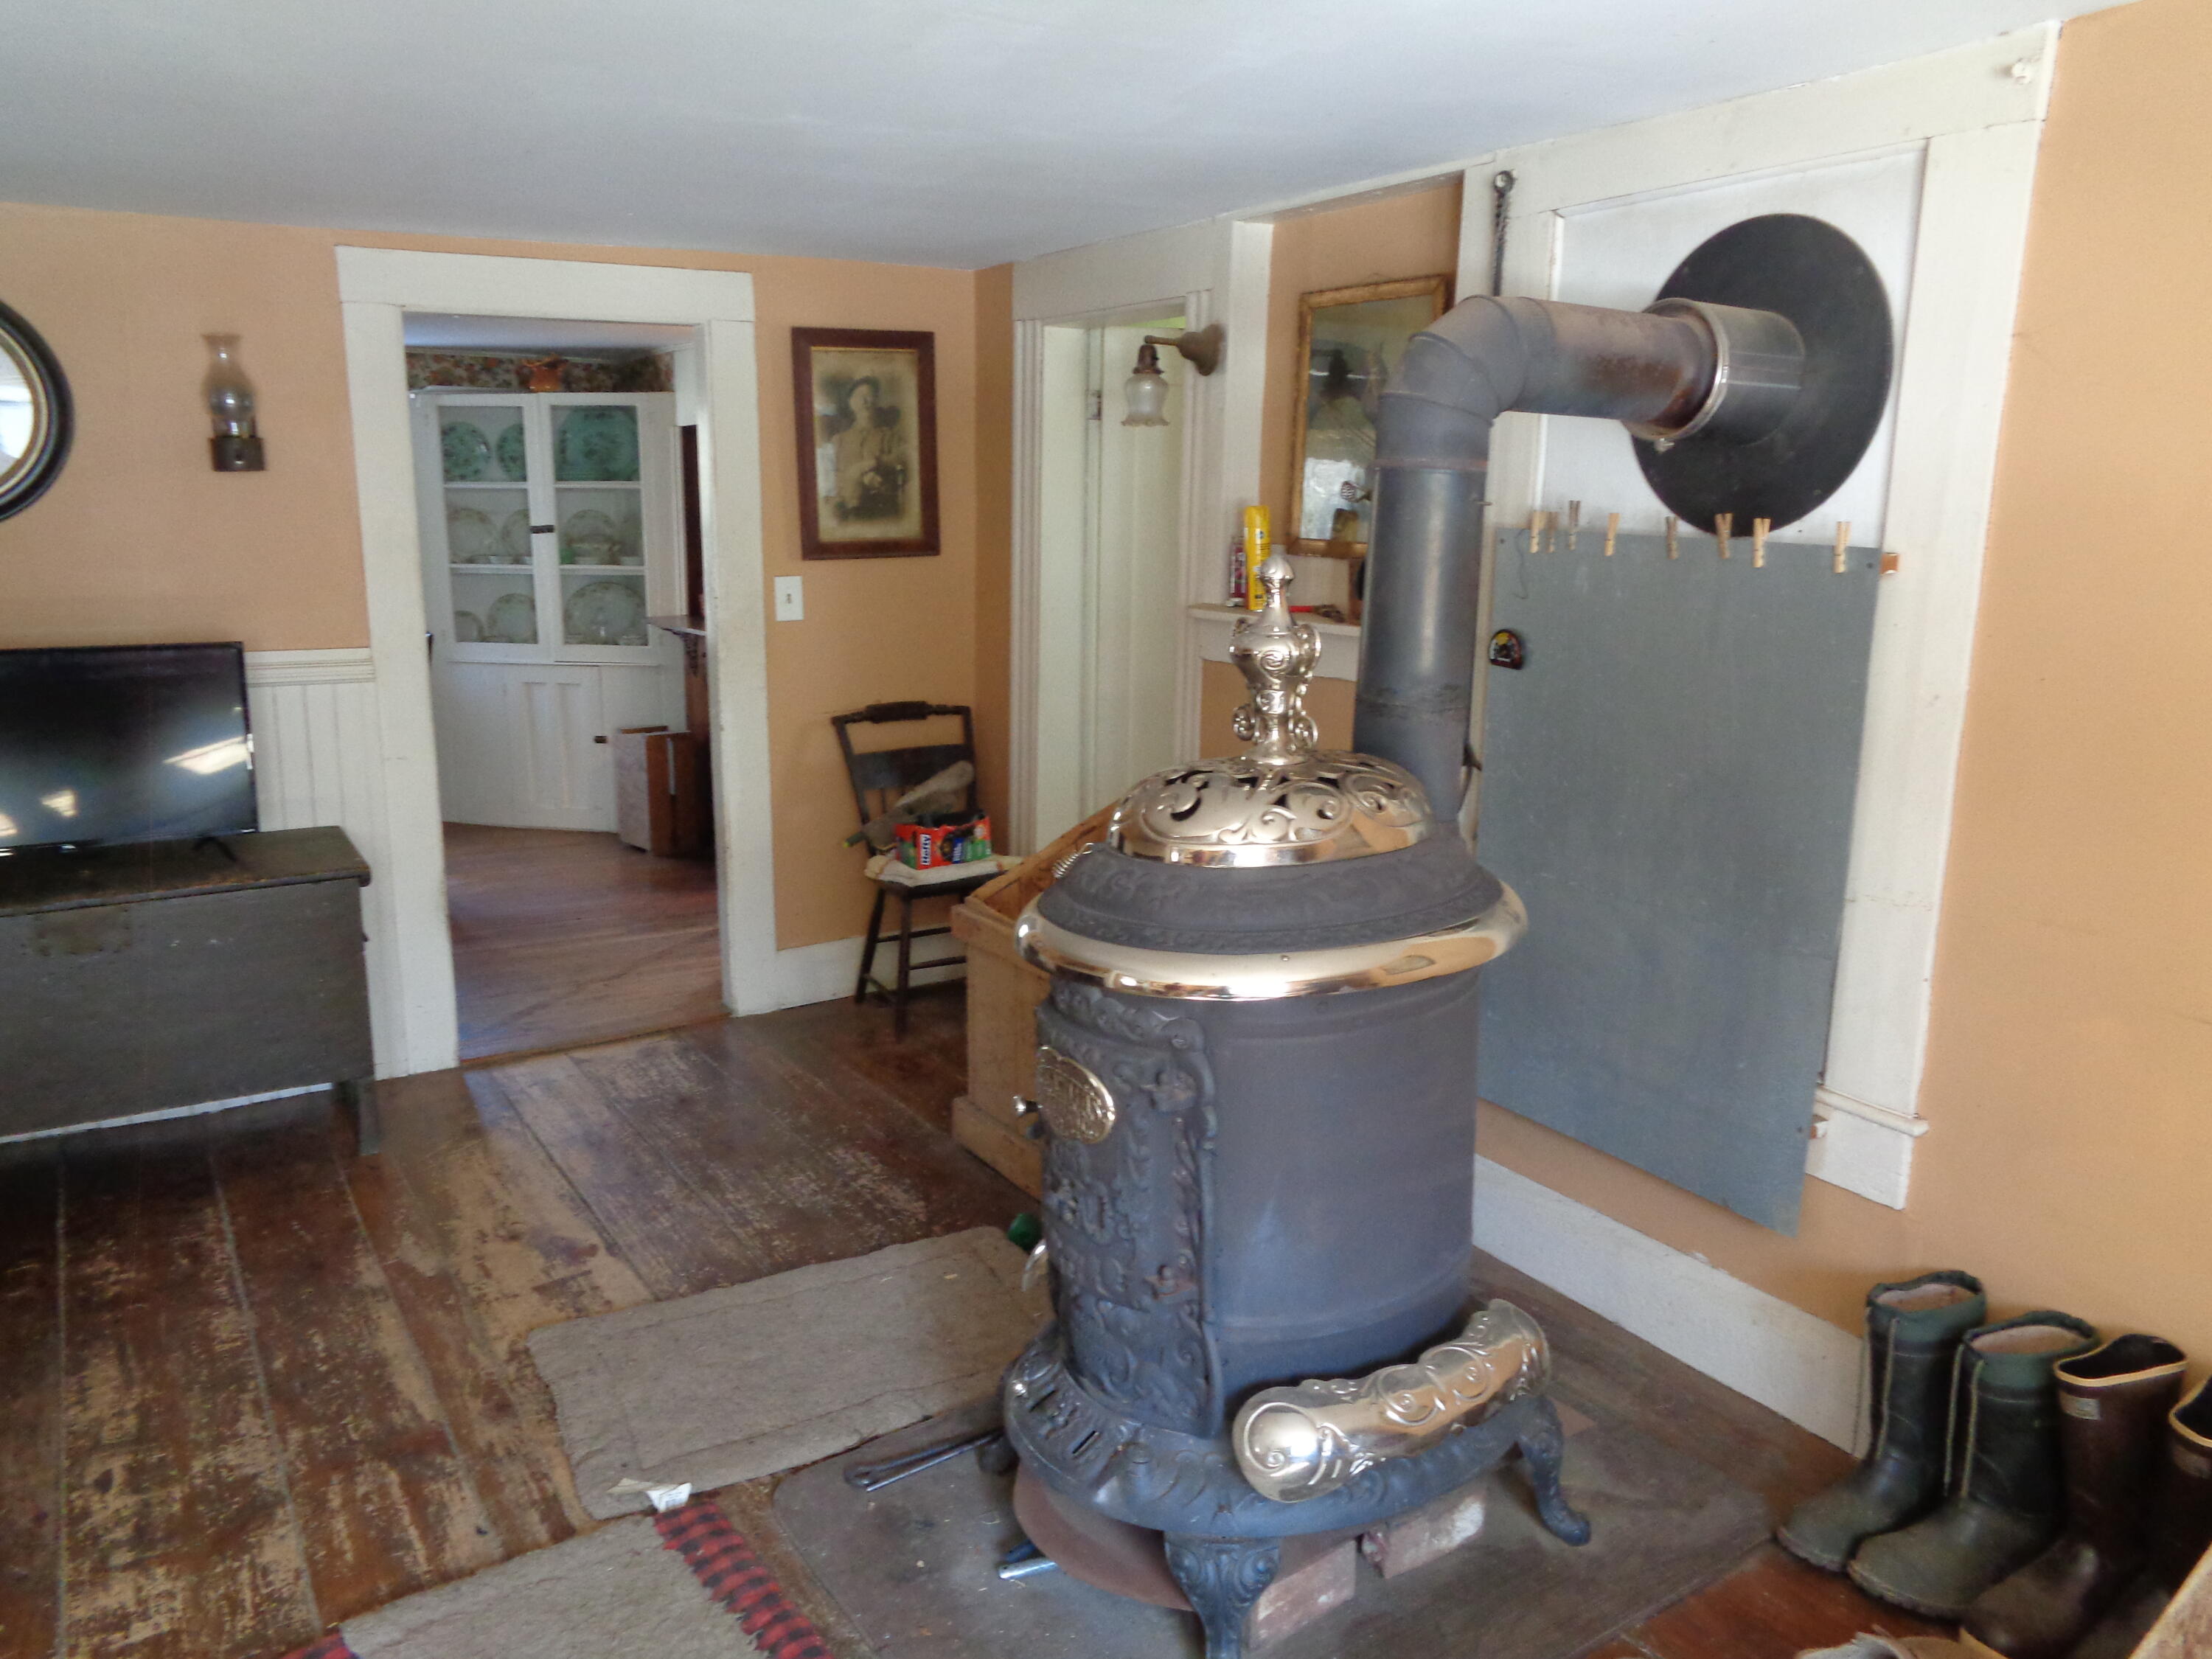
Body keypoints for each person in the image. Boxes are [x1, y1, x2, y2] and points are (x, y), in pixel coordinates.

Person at [828, 377, 906, 523]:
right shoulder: (839, 440)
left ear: (876, 401)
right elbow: (830, 477)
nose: (865, 401)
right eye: (860, 396)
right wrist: (858, 477)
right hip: (847, 513)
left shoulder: (890, 436)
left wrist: (875, 463)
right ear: (851, 403)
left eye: (870, 396)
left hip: (883, 511)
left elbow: (904, 459)